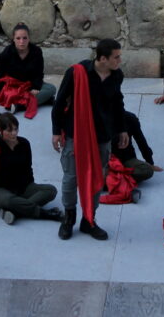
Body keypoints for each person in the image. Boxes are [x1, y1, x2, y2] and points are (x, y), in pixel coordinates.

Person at [51, 39, 128, 241]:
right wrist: (56, 131)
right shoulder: (77, 73)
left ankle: (89, 220)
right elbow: (59, 102)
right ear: (103, 58)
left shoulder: (116, 75)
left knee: (97, 178)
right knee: (71, 178)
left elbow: (117, 103)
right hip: (77, 133)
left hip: (102, 136)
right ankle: (69, 218)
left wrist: (122, 129)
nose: (120, 60)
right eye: (116, 57)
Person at [0, 113, 63, 224]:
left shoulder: (24, 143)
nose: (14, 133)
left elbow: (28, 168)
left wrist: (31, 188)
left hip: (23, 187)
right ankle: (44, 213)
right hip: (0, 190)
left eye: (16, 129)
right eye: (9, 131)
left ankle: (14, 211)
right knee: (9, 200)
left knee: (51, 190)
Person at [0, 23, 56, 116]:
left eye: (25, 38)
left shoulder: (36, 51)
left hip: (30, 84)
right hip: (14, 86)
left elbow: (39, 73)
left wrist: (35, 87)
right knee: (10, 98)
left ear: (29, 38)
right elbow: (1, 76)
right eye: (18, 38)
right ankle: (45, 99)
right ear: (13, 39)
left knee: (51, 89)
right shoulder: (5, 54)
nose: (21, 42)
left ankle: (19, 106)